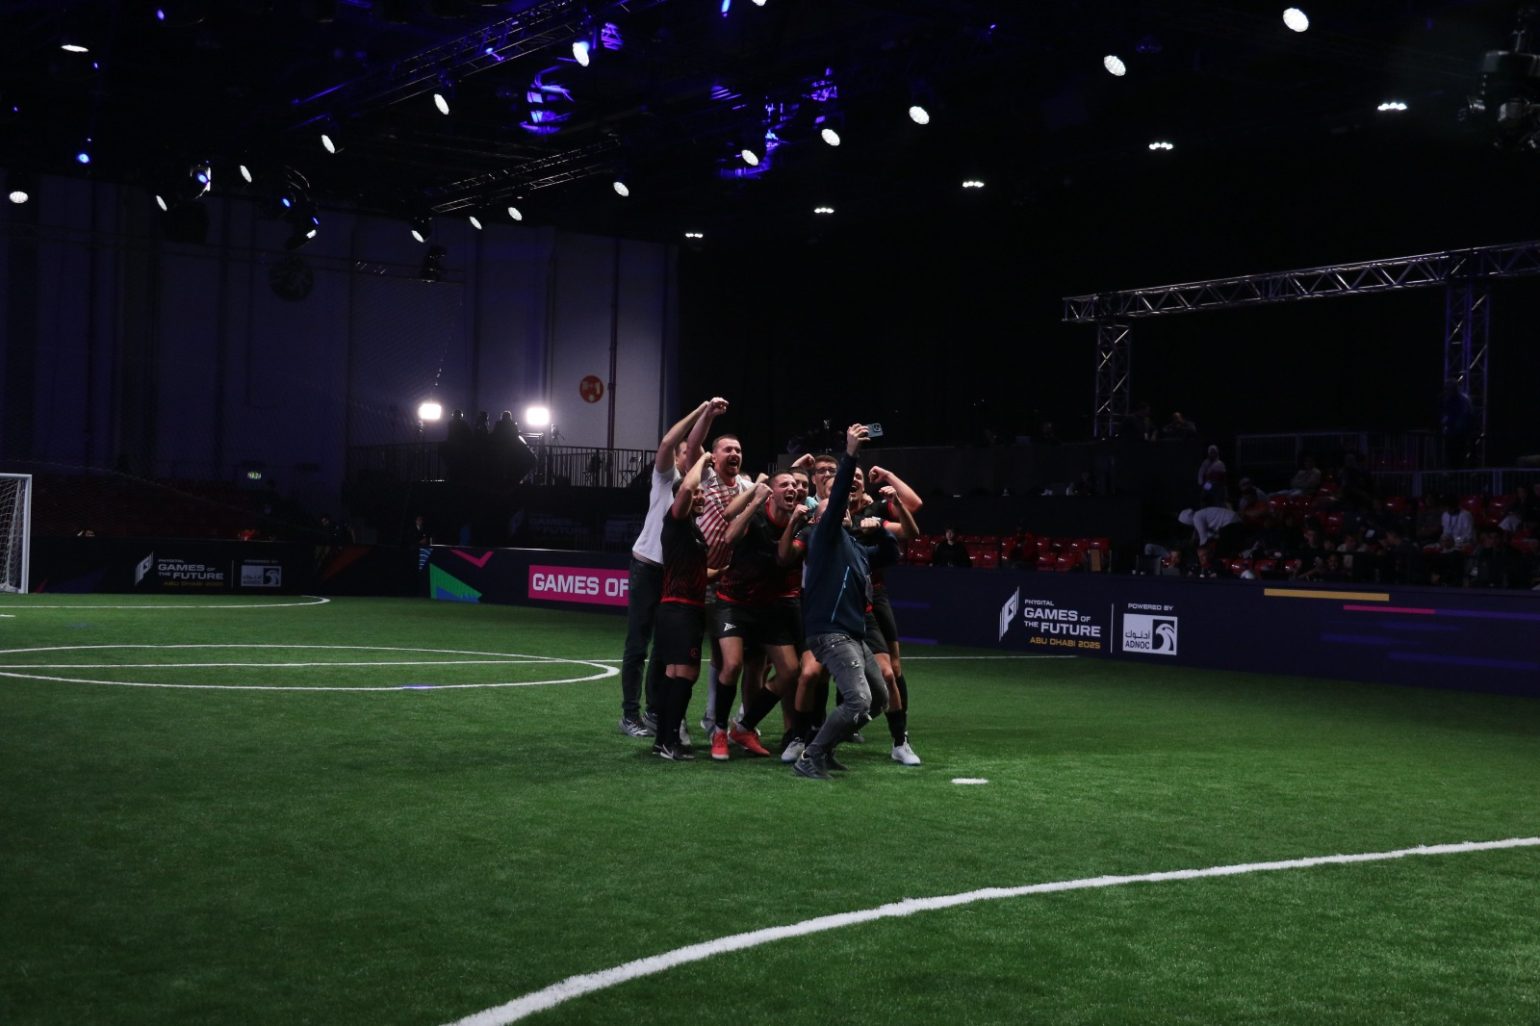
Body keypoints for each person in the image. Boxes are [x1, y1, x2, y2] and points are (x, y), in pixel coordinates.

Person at [792, 423, 901, 780]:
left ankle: (824, 749)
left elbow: (891, 555)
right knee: (859, 700)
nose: (841, 510)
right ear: (820, 518)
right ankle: (810, 756)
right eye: (832, 508)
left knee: (879, 698)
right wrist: (850, 453)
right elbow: (837, 496)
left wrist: (881, 530)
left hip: (853, 635)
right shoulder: (823, 538)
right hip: (831, 633)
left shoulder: (854, 546)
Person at [617, 397, 726, 740]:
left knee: (664, 648)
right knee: (638, 643)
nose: (691, 455)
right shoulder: (667, 479)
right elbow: (670, 442)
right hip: (647, 565)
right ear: (678, 458)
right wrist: (701, 409)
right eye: (686, 453)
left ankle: (654, 712)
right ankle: (629, 714)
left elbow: (695, 444)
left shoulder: (698, 484)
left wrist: (709, 416)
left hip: (673, 576)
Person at [650, 452, 713, 760]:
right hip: (680, 610)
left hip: (681, 609)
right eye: (696, 493)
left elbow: (698, 572)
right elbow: (686, 487)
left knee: (675, 674)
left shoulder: (692, 528)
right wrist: (702, 460)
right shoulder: (675, 521)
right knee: (685, 675)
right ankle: (671, 739)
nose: (700, 496)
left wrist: (727, 571)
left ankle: (663, 739)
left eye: (702, 493)